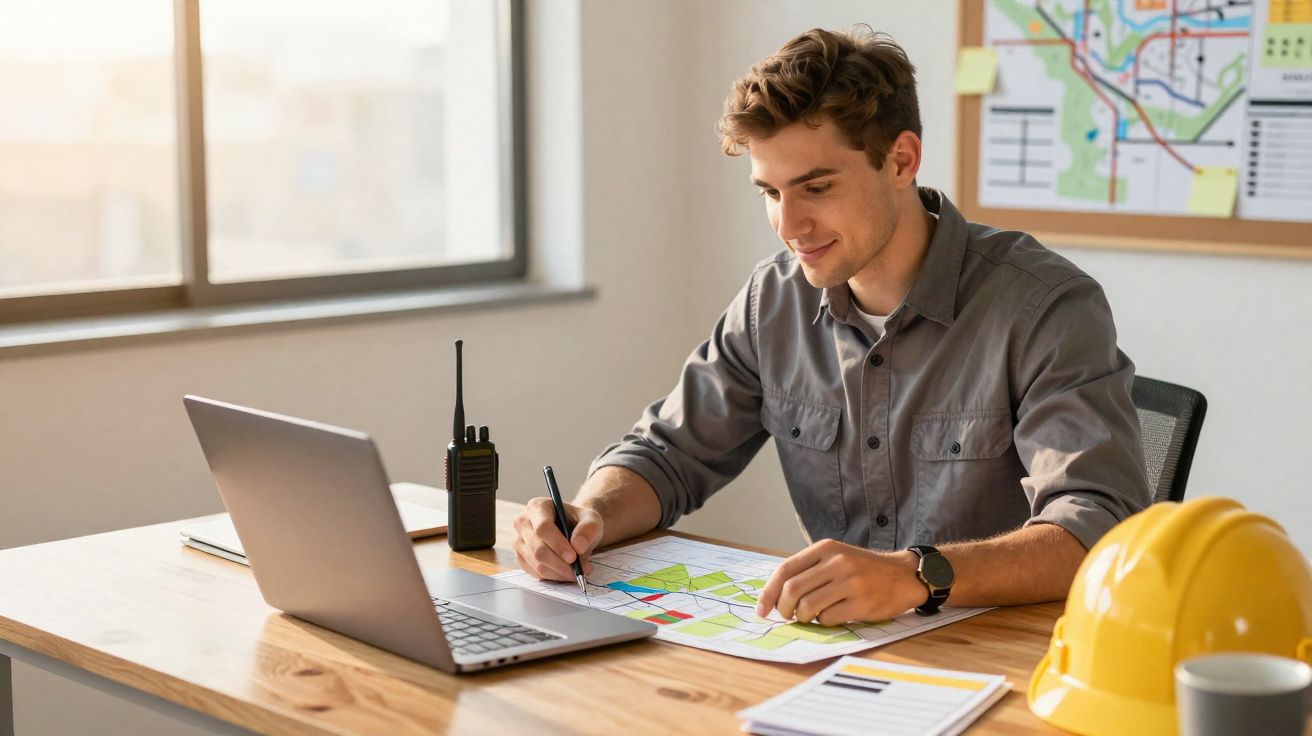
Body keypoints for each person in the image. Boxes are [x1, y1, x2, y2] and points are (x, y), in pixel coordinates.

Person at [512, 26, 1150, 626]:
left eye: (815, 187)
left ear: (901, 161)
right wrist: (588, 514)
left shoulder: (1045, 306)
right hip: (838, 655)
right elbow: (666, 455)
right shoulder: (775, 299)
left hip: (1010, 661)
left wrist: (918, 575)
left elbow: (1098, 525)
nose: (789, 226)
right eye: (770, 192)